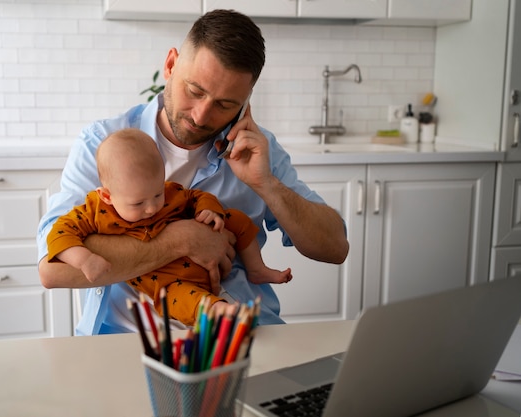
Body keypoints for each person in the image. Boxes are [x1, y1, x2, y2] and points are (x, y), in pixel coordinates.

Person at [37, 9, 349, 335]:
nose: (201, 116)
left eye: (225, 104)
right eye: (195, 91)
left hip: (237, 335)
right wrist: (182, 240)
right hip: (126, 341)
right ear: (171, 65)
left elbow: (336, 248)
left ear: (245, 101)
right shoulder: (102, 144)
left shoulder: (258, 151)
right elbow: (53, 269)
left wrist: (266, 183)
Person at [47, 128, 292, 325]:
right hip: (170, 281)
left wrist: (209, 211)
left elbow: (195, 196)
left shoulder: (168, 191)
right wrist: (84, 260)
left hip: (213, 254)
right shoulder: (93, 212)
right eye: (138, 203)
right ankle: (219, 312)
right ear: (107, 196)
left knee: (236, 218)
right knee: (177, 299)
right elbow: (59, 235)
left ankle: (257, 268)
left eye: (156, 195)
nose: (152, 207)